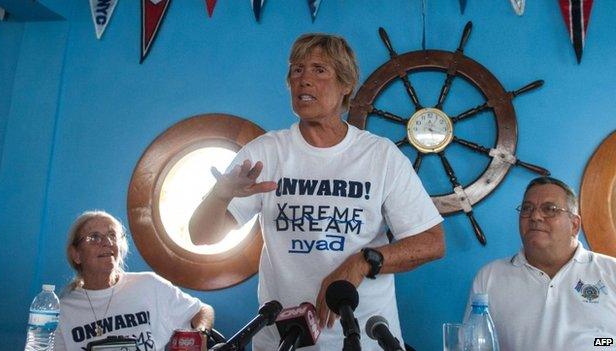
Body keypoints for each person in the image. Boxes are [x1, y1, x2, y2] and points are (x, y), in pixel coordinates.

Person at [189, 33, 445, 350]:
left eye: (319, 70)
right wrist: (220, 195)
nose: (304, 80)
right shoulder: (266, 153)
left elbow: (432, 242)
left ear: (346, 84)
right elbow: (200, 236)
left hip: (364, 339)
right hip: (283, 341)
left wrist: (363, 262)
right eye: (297, 70)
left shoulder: (380, 156)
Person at [467, 177, 616, 351]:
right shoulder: (490, 277)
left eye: (550, 209)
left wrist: (600, 343)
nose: (535, 216)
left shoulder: (611, 272)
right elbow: (472, 345)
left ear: (575, 225)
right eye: (527, 209)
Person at [55, 210, 214, 351]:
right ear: (76, 254)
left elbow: (202, 310)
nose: (107, 242)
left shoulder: (149, 286)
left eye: (112, 235)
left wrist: (201, 334)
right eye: (95, 237)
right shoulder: (63, 311)